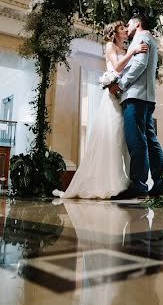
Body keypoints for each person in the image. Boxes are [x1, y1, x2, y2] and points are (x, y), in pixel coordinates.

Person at [53, 21, 148, 199]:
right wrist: (132, 53)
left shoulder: (127, 48)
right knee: (111, 137)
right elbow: (117, 67)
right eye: (122, 28)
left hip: (124, 96)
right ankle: (109, 182)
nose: (126, 30)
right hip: (112, 98)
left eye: (126, 27)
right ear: (114, 33)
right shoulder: (110, 46)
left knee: (122, 140)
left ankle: (124, 180)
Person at [108, 14, 163, 199]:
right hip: (146, 97)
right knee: (150, 139)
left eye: (128, 24)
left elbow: (139, 65)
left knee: (136, 141)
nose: (127, 28)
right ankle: (160, 183)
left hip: (135, 96)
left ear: (137, 23)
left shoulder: (141, 38)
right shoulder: (149, 39)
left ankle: (139, 184)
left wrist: (120, 85)